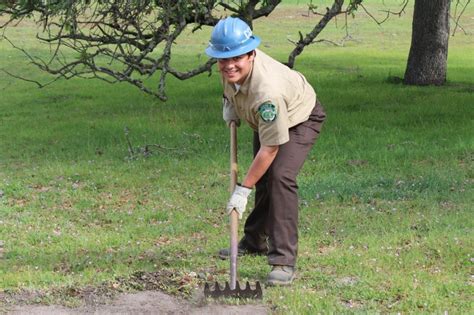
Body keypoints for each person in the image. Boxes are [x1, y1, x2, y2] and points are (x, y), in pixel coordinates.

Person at [205, 17, 326, 286]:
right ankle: (254, 240)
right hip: (268, 121)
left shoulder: (267, 93)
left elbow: (270, 148)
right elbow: (232, 88)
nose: (229, 65)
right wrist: (230, 105)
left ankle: (283, 261)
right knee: (261, 177)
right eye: (222, 59)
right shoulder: (229, 70)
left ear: (251, 54)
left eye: (236, 58)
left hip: (299, 117)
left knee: (280, 177)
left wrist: (242, 190)